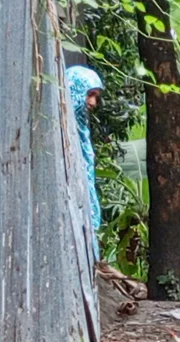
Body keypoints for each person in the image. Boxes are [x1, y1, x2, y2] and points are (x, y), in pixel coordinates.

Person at [66, 66, 104, 246]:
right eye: (90, 94)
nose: (93, 103)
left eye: (96, 97)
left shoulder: (80, 131)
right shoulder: (61, 130)